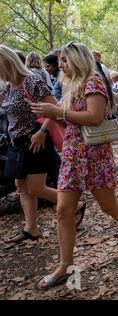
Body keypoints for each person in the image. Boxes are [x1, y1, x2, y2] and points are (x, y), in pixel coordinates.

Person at [28, 42, 118, 289]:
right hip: (72, 154)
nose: (61, 65)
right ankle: (65, 267)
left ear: (79, 61)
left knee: (109, 207)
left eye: (66, 61)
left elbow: (95, 116)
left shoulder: (93, 81)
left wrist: (59, 112)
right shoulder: (70, 85)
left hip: (94, 156)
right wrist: (52, 116)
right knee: (63, 211)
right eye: (60, 61)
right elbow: (68, 118)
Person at [0, 44, 85, 243]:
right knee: (21, 185)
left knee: (36, 188)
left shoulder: (31, 81)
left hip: (35, 140)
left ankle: (77, 204)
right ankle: (31, 228)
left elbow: (53, 108)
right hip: (17, 143)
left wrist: (41, 132)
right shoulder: (9, 86)